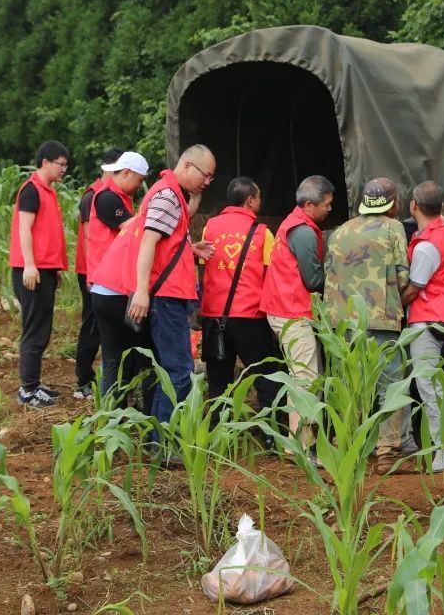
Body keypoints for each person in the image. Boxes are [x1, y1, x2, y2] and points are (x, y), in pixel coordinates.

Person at [90, 145, 216, 424]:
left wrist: (189, 250)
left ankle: (139, 428)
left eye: (211, 178)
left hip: (121, 287)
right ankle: (156, 437)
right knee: (171, 369)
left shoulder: (168, 195)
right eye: (205, 175)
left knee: (148, 364)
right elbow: (148, 241)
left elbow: (164, 242)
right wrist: (142, 291)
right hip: (133, 292)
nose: (207, 182)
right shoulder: (164, 195)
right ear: (185, 166)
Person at [323, 178, 414, 474]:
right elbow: (402, 275)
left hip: (342, 322)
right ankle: (387, 452)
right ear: (393, 202)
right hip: (381, 319)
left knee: (350, 383)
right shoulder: (393, 228)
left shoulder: (340, 231)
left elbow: (328, 272)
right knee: (390, 384)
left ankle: (345, 444)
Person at [260, 175, 335, 446]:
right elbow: (313, 279)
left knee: (300, 375)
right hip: (292, 312)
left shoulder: (293, 224)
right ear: (308, 205)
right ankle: (303, 445)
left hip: (283, 308)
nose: (329, 209)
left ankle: (300, 442)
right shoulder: (302, 231)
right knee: (305, 378)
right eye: (325, 204)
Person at [200, 176, 280, 414]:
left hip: (215, 316)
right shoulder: (262, 233)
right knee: (266, 377)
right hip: (250, 317)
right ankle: (270, 430)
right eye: (258, 198)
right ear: (250, 200)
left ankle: (219, 431)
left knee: (218, 381)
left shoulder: (209, 227)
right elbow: (271, 276)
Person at [74, 151, 148, 399]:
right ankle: (109, 404)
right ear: (126, 173)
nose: (139, 186)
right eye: (138, 180)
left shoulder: (119, 197)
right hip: (110, 285)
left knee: (118, 350)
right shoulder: (106, 198)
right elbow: (132, 228)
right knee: (114, 351)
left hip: (113, 283)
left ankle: (116, 406)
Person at [403, 181, 444, 472]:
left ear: (414, 205)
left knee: (428, 386)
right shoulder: (442, 232)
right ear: (441, 207)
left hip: (428, 317)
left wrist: (392, 305)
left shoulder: (427, 245)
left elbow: (415, 287)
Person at [9, 140, 70, 408]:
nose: (64, 170)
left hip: (44, 269)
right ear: (45, 162)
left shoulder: (48, 191)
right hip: (30, 270)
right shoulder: (32, 190)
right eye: (61, 164)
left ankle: (34, 383)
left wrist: (52, 269)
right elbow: (25, 230)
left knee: (42, 327)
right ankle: (28, 389)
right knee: (34, 329)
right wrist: (31, 265)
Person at [73, 147, 126, 399]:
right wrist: (92, 275)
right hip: (94, 272)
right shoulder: (95, 196)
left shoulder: (116, 196)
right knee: (92, 325)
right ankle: (84, 380)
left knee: (102, 328)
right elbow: (87, 238)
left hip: (108, 274)